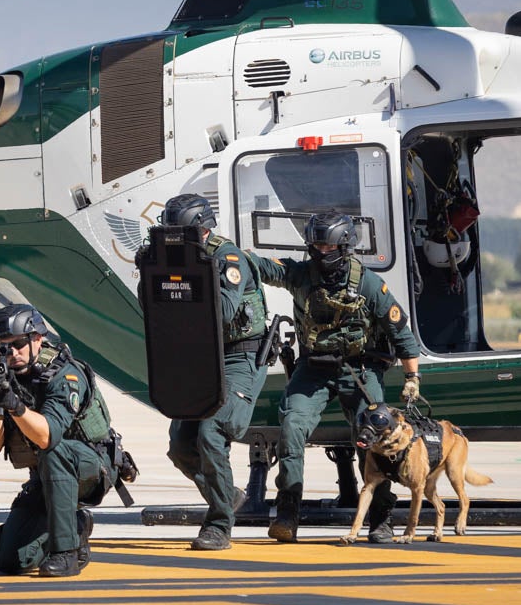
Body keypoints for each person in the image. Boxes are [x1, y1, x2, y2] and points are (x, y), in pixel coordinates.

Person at [248, 210, 422, 544]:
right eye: (315, 245)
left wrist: (412, 378)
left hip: (359, 369)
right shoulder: (300, 275)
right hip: (313, 370)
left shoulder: (369, 284)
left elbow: (401, 333)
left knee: (376, 433)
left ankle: (381, 517)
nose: (320, 252)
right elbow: (265, 268)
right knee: (292, 426)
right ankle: (287, 513)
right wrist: (228, 254)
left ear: (344, 246)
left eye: (327, 246)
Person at [156, 193, 271, 552]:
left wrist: (188, 277)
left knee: (211, 431)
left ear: (203, 230)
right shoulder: (173, 257)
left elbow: (221, 311)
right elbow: (156, 307)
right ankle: (227, 496)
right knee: (181, 446)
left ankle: (220, 524)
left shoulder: (227, 257)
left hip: (239, 357)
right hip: (201, 358)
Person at [0, 303, 119, 577]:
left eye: (18, 344)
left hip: (89, 470)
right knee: (11, 561)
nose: (12, 353)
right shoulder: (6, 380)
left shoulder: (64, 376)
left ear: (38, 339)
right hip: (46, 477)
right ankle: (75, 526)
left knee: (55, 451)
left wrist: (16, 407)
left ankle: (65, 552)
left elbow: (47, 437)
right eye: (3, 348)